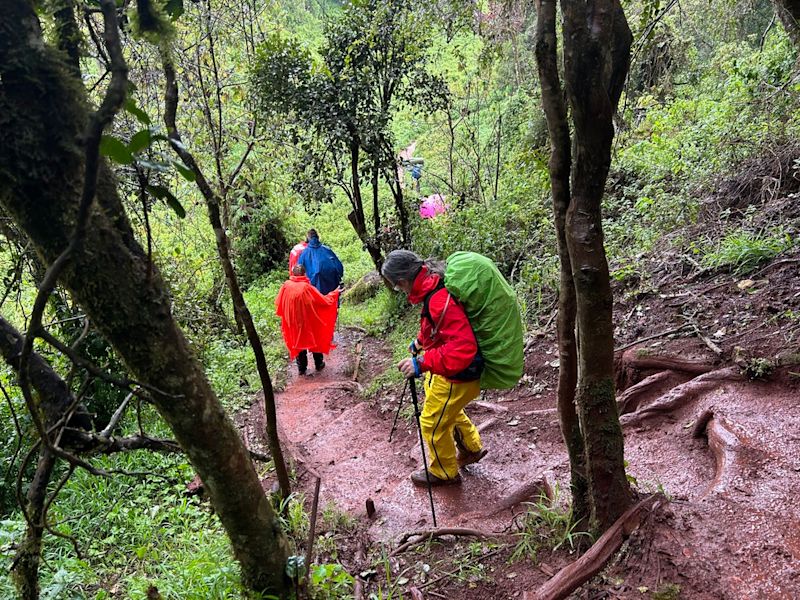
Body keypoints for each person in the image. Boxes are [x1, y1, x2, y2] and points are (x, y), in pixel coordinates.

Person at [382, 250, 487, 487]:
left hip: (460, 373)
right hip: (454, 372)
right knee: (442, 406)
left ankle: (444, 472)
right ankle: (471, 447)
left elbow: (462, 348)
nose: (399, 290)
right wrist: (420, 343)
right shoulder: (431, 283)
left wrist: (421, 363)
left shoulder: (437, 299)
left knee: (431, 421)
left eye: (397, 286)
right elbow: (436, 325)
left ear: (402, 281)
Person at [275, 264, 340, 375]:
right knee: (315, 337)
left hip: (292, 321)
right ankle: (318, 364)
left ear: (293, 274)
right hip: (307, 320)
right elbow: (323, 301)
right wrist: (334, 293)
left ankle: (302, 368)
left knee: (297, 342)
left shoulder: (286, 285)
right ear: (304, 274)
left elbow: (279, 303)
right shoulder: (306, 287)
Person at [296, 229, 344, 295]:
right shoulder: (327, 249)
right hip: (331, 285)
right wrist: (339, 277)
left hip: (313, 287)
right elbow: (338, 266)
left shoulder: (305, 253)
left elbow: (298, 269)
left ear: (308, 238)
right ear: (317, 237)